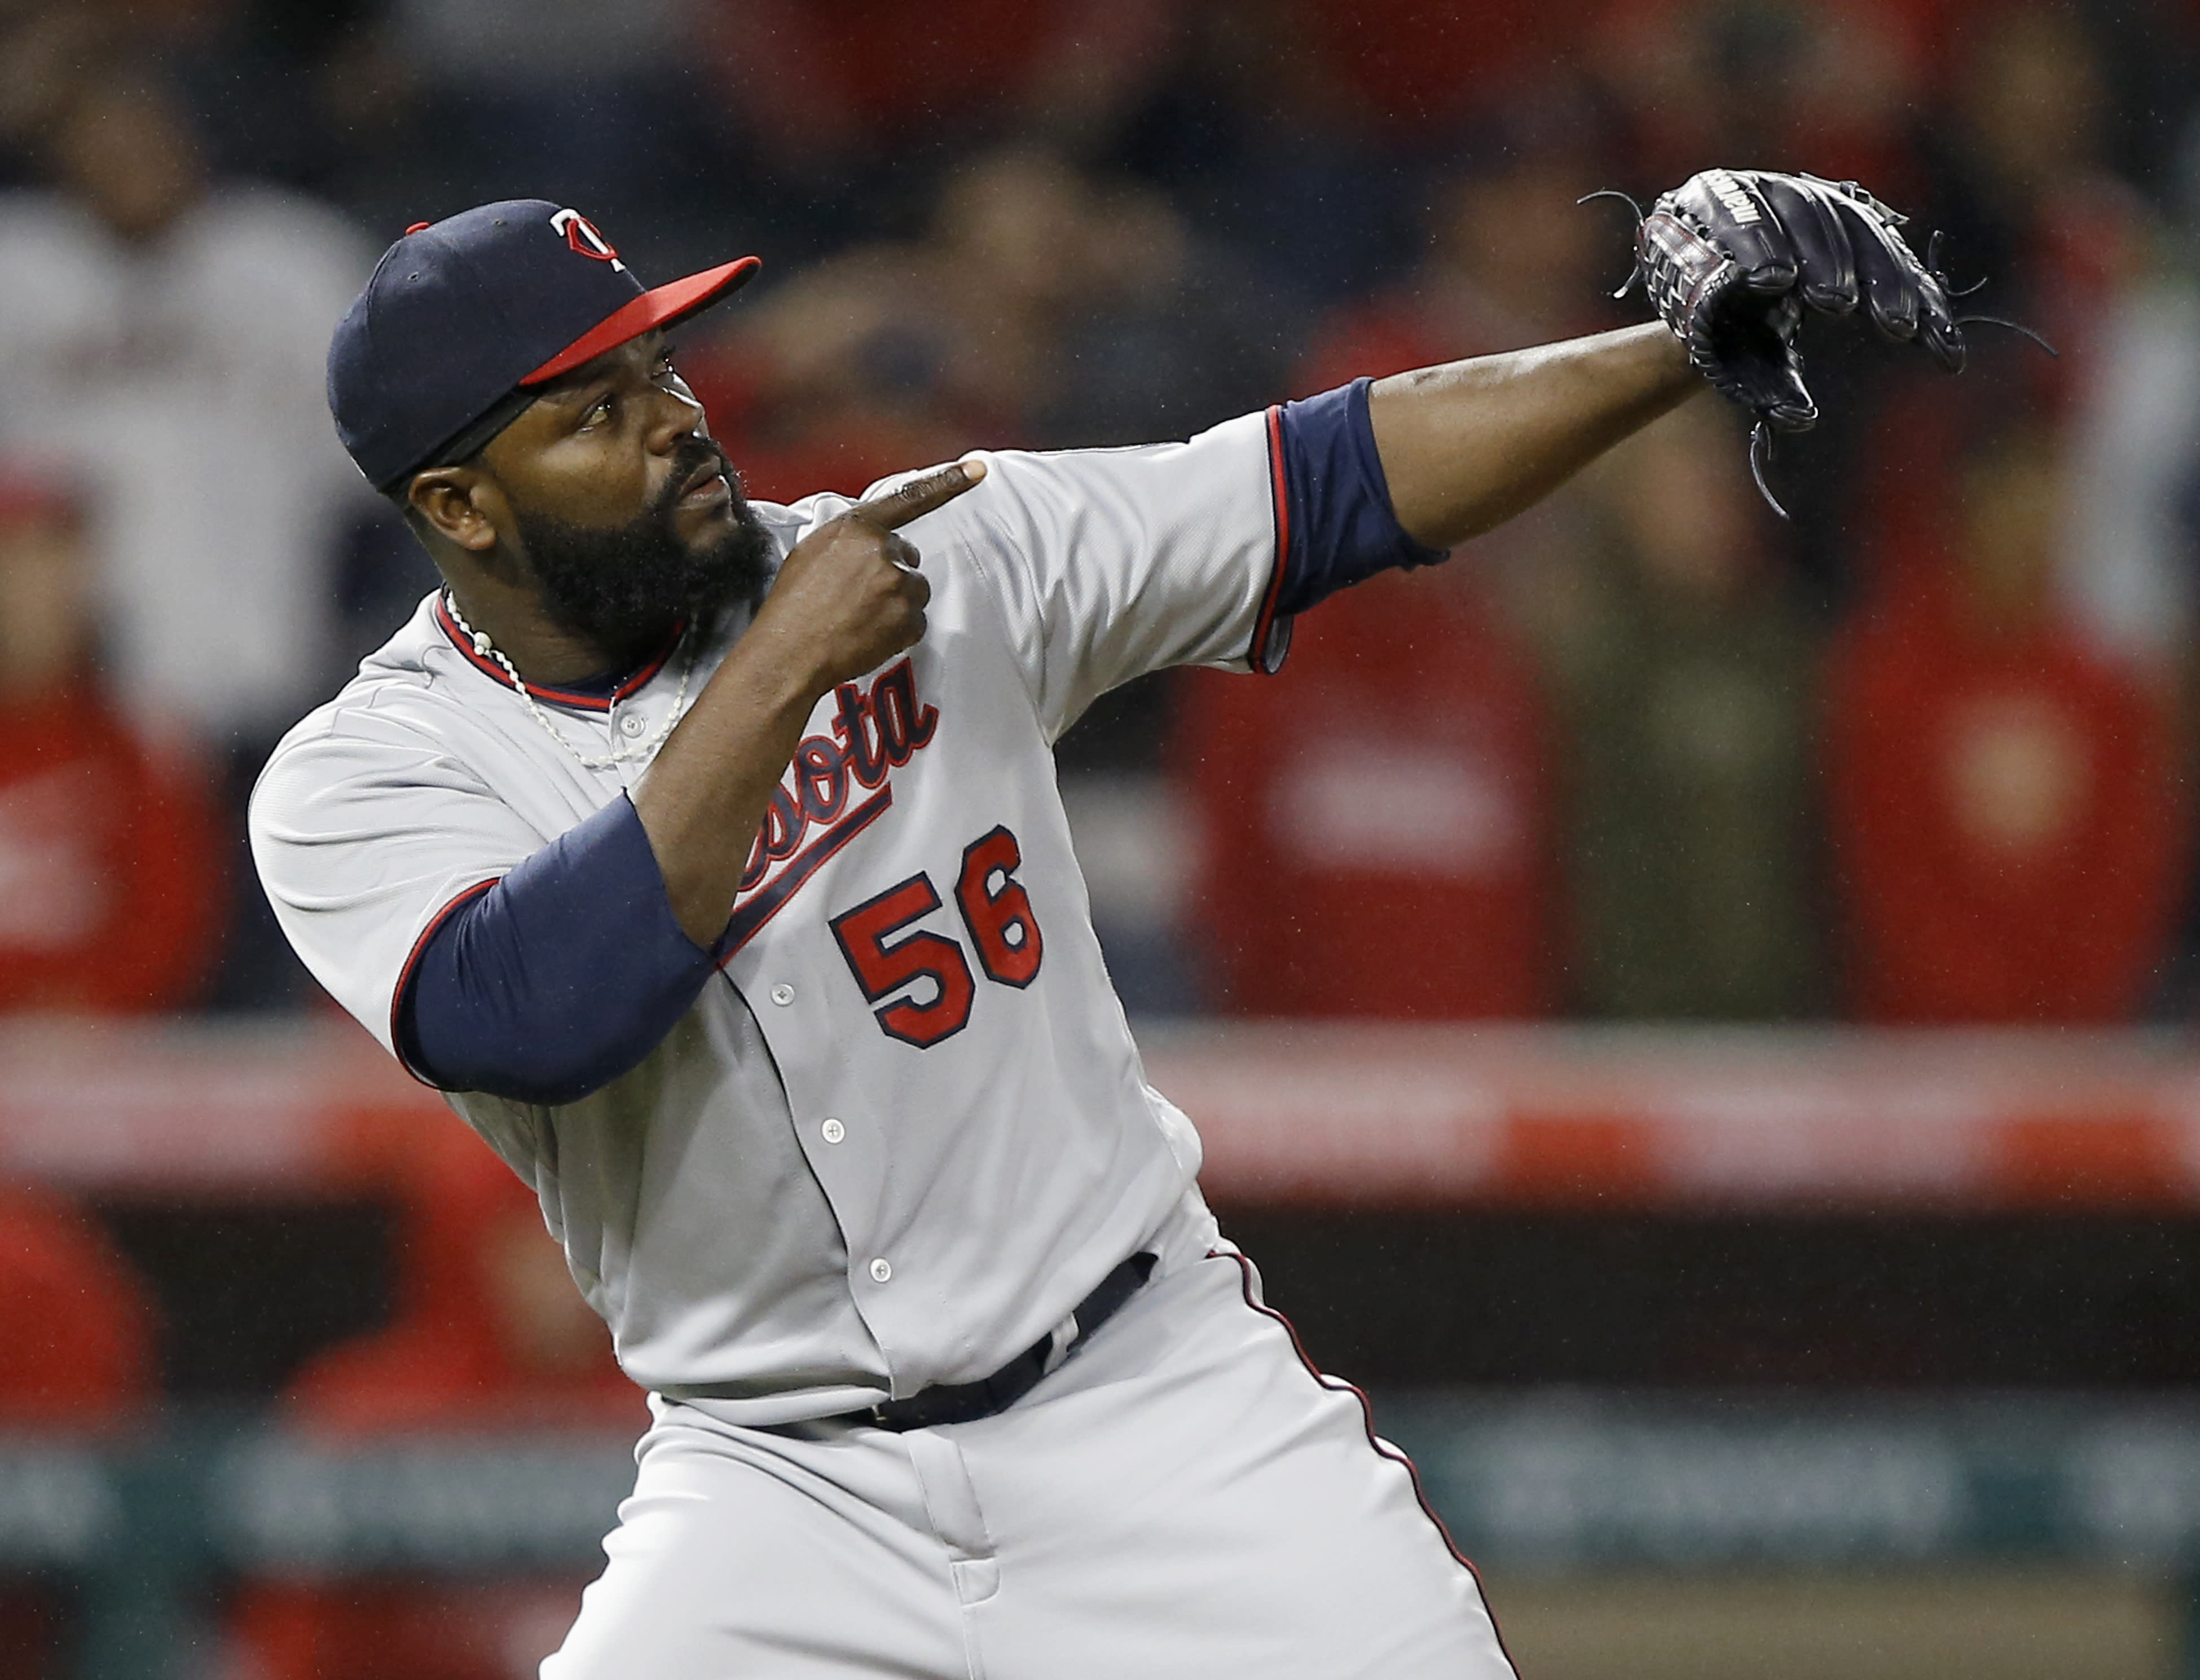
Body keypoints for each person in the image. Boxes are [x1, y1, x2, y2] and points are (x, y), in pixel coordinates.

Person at [250, 179, 1958, 1674]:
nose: (675, 419)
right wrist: (780, 668)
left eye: (662, 367)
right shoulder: (367, 772)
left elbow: (1329, 479)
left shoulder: (933, 554)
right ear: (462, 507)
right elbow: (536, 1010)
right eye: (592, 410)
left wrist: (1671, 353)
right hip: (783, 1488)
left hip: (1153, 1405)